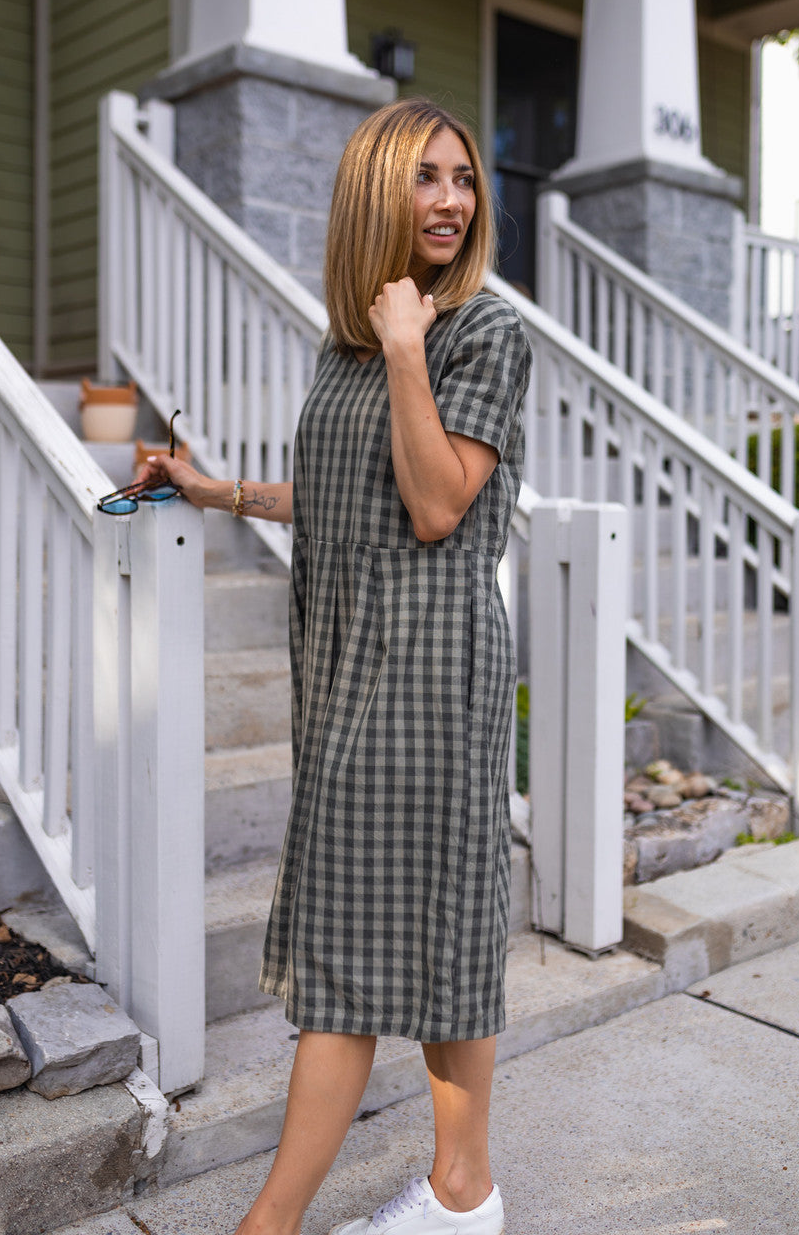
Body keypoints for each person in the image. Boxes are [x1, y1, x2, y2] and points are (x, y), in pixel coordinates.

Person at [146, 97, 531, 1235]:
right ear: (374, 192)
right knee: (422, 925)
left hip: (425, 673)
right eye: (424, 178)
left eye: (462, 177)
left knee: (358, 944)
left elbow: (430, 501)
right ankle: (465, 1191)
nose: (451, 199)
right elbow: (349, 495)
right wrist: (223, 493)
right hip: (347, 665)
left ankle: (268, 1221)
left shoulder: (476, 333)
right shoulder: (353, 343)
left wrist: (412, 344)